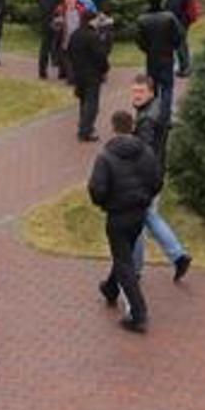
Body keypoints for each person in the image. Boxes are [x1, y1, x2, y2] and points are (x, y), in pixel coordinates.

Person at [88, 110, 162, 334]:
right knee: (124, 253)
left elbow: (97, 190)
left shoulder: (105, 157)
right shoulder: (146, 152)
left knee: (124, 262)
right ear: (132, 127)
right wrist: (145, 198)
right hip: (139, 213)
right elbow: (157, 181)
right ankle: (110, 288)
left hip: (117, 215)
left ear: (113, 127)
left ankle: (138, 313)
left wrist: (106, 203)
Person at [130, 74, 191, 283]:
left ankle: (135, 268)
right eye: (134, 91)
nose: (136, 95)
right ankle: (178, 255)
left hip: (146, 177)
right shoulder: (158, 108)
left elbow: (144, 151)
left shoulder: (146, 119)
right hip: (157, 172)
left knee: (138, 220)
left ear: (150, 92)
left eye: (140, 91)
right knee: (149, 216)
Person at [135, 0, 183, 127]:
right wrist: (172, 46)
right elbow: (178, 35)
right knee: (167, 87)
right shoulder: (170, 17)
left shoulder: (142, 19)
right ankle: (165, 118)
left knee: (153, 88)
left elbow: (139, 39)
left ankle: (153, 115)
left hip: (152, 58)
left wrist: (147, 50)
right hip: (167, 56)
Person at [68, 12, 112, 142]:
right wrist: (105, 69)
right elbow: (100, 56)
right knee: (92, 103)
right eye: (96, 20)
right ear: (91, 21)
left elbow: (69, 52)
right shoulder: (93, 36)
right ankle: (85, 130)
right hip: (92, 74)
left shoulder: (75, 34)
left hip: (78, 73)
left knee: (83, 101)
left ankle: (84, 124)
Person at [163, 0, 197, 79]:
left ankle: (185, 68)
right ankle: (184, 67)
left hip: (179, 19)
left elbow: (175, 6)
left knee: (180, 43)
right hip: (184, 19)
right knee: (181, 42)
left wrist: (170, 17)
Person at [36, 0, 65, 80]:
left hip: (44, 22)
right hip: (55, 22)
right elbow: (61, 8)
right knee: (58, 45)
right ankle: (61, 72)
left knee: (44, 46)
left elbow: (39, 5)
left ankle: (42, 71)